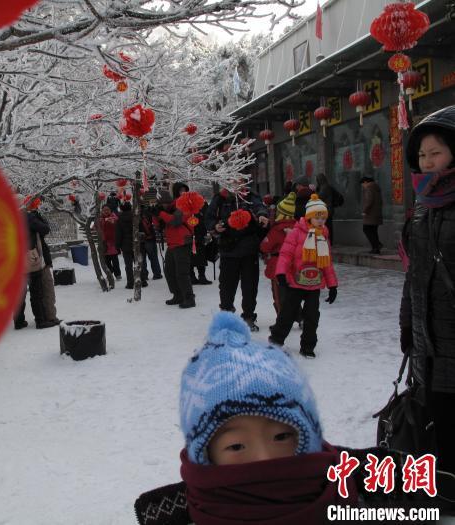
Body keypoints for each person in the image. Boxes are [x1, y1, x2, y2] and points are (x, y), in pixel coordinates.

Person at [135, 313, 440, 525]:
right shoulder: (173, 513)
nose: (265, 458)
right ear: (205, 454)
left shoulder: (360, 492)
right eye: (237, 446)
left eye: (282, 436)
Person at [400, 105, 455, 477]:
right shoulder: (422, 209)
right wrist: (408, 327)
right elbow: (414, 276)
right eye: (422, 154)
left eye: (436, 152)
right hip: (430, 349)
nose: (428, 161)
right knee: (441, 435)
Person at [269, 194, 338, 358]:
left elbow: (326, 262)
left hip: (314, 284)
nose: (321, 221)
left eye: (324, 218)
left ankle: (308, 346)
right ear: (309, 217)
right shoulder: (296, 233)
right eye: (317, 217)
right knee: (288, 313)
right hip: (295, 282)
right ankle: (276, 340)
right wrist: (281, 274)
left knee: (312, 317)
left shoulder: (324, 235)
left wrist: (332, 284)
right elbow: (285, 255)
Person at [205, 183, 269, 331]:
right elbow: (209, 218)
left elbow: (260, 207)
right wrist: (215, 226)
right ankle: (227, 316)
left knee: (250, 286)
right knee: (226, 287)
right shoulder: (220, 199)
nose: (237, 184)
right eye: (233, 180)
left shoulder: (250, 196)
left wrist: (262, 215)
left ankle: (248, 316)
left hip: (249, 249)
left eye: (239, 180)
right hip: (228, 250)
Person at [14, 210, 59, 329]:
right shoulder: (28, 217)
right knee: (36, 292)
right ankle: (40, 320)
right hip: (30, 259)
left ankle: (18, 321)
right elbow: (45, 229)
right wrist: (36, 215)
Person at [154, 184, 195, 309]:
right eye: (161, 204)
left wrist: (160, 213)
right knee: (169, 272)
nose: (163, 205)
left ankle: (189, 298)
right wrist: (155, 215)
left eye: (165, 203)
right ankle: (177, 295)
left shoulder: (181, 206)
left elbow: (175, 221)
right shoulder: (166, 211)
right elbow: (159, 226)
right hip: (172, 244)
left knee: (181, 273)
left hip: (182, 242)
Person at [260, 192, 297, 315]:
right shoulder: (298, 228)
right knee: (294, 293)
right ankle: (298, 316)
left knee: (279, 294)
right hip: (294, 266)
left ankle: (282, 319)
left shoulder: (276, 230)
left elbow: (265, 246)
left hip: (277, 267)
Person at [115, 201, 148, 289]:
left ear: (121, 208)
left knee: (128, 265)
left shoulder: (119, 219)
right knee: (139, 263)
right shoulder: (136, 217)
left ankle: (130, 283)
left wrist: (117, 246)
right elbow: (142, 230)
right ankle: (143, 281)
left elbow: (118, 234)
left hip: (125, 246)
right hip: (137, 243)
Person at [316, 172, 344, 242]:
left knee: (326, 227)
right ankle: (329, 241)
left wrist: (314, 191)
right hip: (329, 209)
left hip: (326, 210)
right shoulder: (327, 186)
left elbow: (319, 197)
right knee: (328, 226)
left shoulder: (324, 187)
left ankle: (328, 241)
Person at [360, 176, 383, 254]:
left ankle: (377, 245)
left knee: (366, 229)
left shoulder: (369, 188)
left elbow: (369, 201)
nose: (363, 186)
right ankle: (376, 248)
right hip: (376, 213)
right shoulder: (376, 188)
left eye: (363, 184)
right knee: (373, 231)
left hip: (370, 214)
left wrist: (365, 211)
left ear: (365, 182)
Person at [97, 205, 121, 280]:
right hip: (104, 243)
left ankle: (118, 275)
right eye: (104, 210)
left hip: (113, 243)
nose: (106, 211)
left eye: (108, 210)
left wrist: (112, 221)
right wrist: (102, 221)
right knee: (107, 261)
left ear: (110, 210)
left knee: (115, 260)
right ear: (102, 211)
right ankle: (110, 274)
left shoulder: (114, 217)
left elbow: (116, 221)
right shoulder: (100, 219)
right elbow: (95, 227)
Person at [141, 205, 163, 280]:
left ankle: (144, 275)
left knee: (142, 259)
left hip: (140, 240)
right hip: (150, 238)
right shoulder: (149, 214)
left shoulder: (135, 215)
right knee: (153, 257)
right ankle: (157, 274)